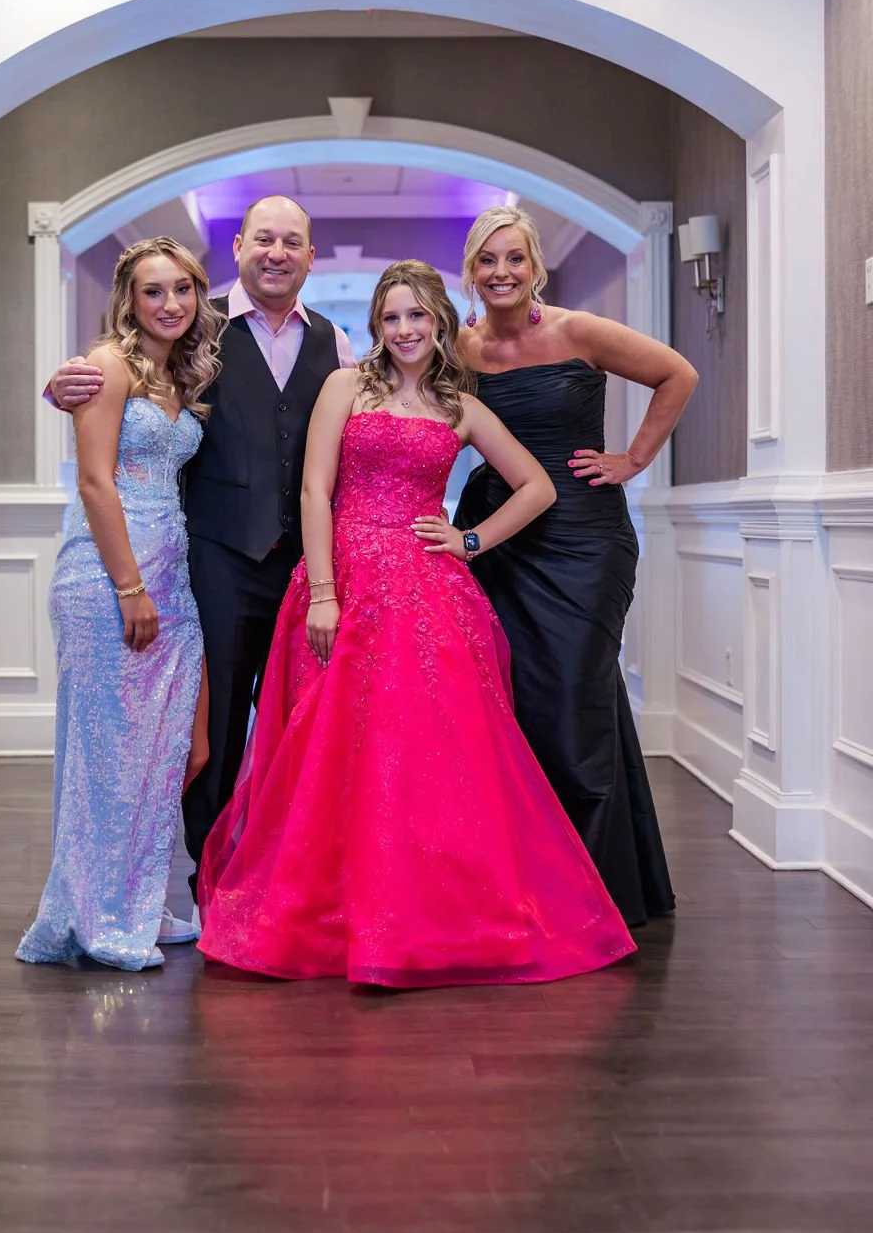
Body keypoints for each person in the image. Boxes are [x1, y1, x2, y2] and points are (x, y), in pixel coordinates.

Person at [196, 261, 636, 988]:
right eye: (391, 317)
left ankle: (420, 911)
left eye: (417, 317)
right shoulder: (347, 387)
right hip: (345, 584)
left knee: (426, 756)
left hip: (430, 590)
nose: (403, 330)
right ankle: (331, 906)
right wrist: (326, 593)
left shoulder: (459, 407)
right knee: (332, 746)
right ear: (378, 325)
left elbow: (539, 485)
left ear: (438, 323)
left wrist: (469, 540)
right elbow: (314, 488)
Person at [48, 197, 355, 908]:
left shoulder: (336, 343)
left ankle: (293, 877)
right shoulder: (194, 322)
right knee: (207, 737)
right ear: (240, 246)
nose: (277, 253)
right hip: (210, 560)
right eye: (264, 240)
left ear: (311, 256)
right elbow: (121, 392)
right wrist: (59, 384)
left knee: (299, 725)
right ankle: (209, 883)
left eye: (293, 242)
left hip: (303, 569)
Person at [454, 205, 699, 928]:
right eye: (486, 261)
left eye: (514, 259)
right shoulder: (460, 350)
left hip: (585, 541)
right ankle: (532, 878)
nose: (501, 272)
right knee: (519, 704)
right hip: (500, 540)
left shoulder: (576, 331)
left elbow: (676, 373)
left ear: (536, 268)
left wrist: (634, 458)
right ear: (471, 273)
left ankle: (592, 892)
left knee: (575, 693)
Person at [17, 237, 221, 971]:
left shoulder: (182, 371)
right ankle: (96, 917)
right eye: (152, 291)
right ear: (128, 301)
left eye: (182, 290)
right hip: (109, 578)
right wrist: (129, 586)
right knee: (105, 750)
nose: (170, 304)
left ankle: (138, 897)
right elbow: (97, 483)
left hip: (175, 574)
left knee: (167, 749)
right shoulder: (105, 364)